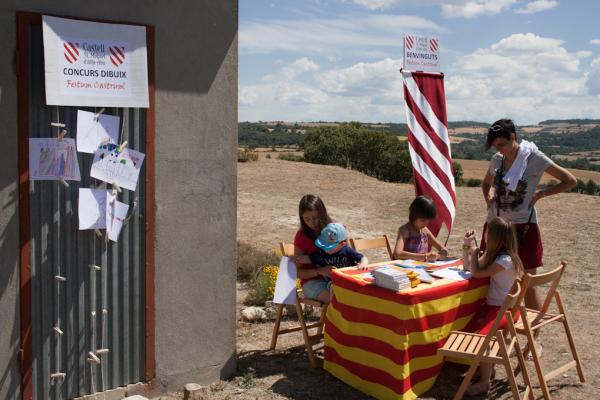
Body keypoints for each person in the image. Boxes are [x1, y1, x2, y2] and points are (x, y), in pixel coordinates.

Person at [481, 119, 576, 354]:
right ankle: (496, 332)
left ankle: (534, 338)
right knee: (491, 278)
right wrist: (489, 198)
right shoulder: (497, 160)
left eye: (502, 144)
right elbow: (485, 184)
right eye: (496, 146)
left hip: (524, 228)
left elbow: (570, 181)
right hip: (498, 228)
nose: (499, 150)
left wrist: (542, 194)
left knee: (528, 283)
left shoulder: (535, 159)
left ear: (513, 137)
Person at [462, 217, 524, 396]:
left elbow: (476, 272)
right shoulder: (495, 255)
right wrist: (467, 245)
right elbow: (468, 267)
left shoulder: (505, 260)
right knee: (471, 326)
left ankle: (484, 382)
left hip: (504, 311)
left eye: (487, 232)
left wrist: (475, 254)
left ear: (495, 237)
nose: (484, 235)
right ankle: (486, 368)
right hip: (495, 307)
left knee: (482, 338)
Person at [292, 194, 334, 304]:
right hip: (312, 282)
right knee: (338, 302)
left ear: (322, 214)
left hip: (334, 279)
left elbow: (346, 252)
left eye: (315, 218)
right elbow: (296, 272)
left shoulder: (332, 228)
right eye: (307, 219)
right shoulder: (302, 236)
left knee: (356, 296)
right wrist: (319, 271)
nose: (312, 223)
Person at [393, 195, 448, 261]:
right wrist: (424, 256)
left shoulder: (424, 231)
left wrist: (443, 252)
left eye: (428, 221)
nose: (425, 224)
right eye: (422, 220)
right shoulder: (405, 230)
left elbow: (441, 248)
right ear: (414, 215)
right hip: (407, 269)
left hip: (421, 268)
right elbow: (397, 253)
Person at [296, 222, 369, 271]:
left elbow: (362, 257)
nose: (325, 249)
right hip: (332, 282)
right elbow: (310, 258)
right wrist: (298, 259)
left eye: (329, 246)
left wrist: (363, 263)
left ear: (342, 244)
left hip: (348, 279)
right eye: (324, 245)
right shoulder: (322, 253)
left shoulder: (347, 251)